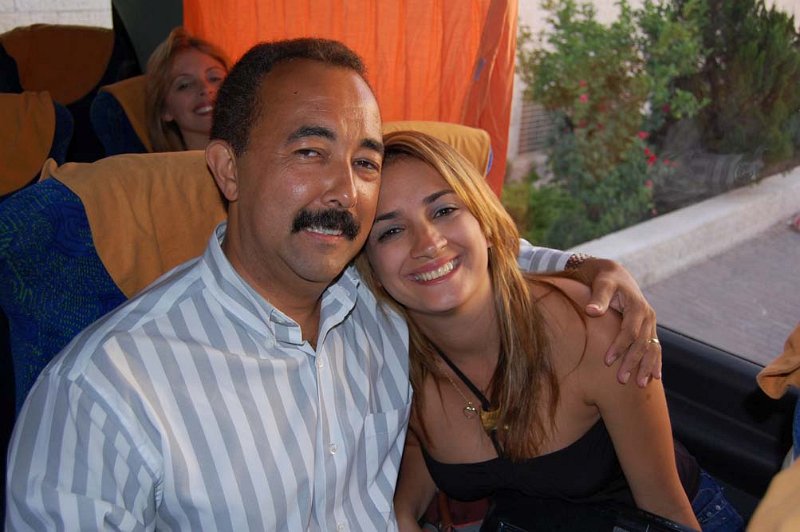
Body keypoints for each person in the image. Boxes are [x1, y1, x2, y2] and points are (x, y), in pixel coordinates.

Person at [7, 38, 661, 530]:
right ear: (229, 171)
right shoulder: (101, 393)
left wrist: (596, 271)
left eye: (365, 162)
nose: (345, 191)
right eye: (310, 152)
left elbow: (493, 256)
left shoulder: (385, 296)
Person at [357, 130, 743, 531]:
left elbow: (668, 514)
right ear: (373, 272)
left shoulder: (591, 331)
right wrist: (402, 512)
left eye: (443, 210)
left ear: (485, 224)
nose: (427, 243)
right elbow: (425, 445)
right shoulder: (399, 364)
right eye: (391, 231)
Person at [145, 27, 230, 152]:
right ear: (164, 109)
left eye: (214, 78)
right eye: (185, 85)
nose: (205, 88)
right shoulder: (157, 166)